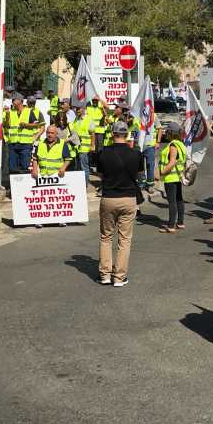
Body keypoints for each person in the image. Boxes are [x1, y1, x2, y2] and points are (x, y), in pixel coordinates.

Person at [96, 121, 142, 287]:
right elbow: (139, 174)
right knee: (124, 240)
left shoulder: (103, 153)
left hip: (109, 197)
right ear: (126, 134)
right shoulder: (136, 154)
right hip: (128, 198)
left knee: (106, 237)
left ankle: (105, 274)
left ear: (112, 133)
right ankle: (119, 277)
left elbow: (100, 175)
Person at [31, 125, 73, 228]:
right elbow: (35, 158)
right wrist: (35, 169)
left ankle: (61, 219)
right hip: (43, 176)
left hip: (57, 176)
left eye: (52, 133)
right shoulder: (40, 144)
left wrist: (63, 168)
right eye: (48, 133)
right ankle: (40, 220)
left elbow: (68, 159)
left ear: (56, 134)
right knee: (42, 200)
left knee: (58, 200)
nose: (49, 135)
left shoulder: (62, 144)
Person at [158, 122, 187, 233]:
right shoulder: (181, 144)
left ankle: (171, 226)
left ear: (171, 133)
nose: (166, 133)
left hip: (170, 177)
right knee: (179, 199)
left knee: (172, 202)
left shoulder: (173, 145)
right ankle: (180, 223)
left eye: (167, 131)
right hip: (177, 176)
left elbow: (172, 162)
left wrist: (162, 173)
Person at [70, 104, 96, 186]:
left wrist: (92, 145)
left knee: (84, 166)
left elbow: (92, 134)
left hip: (85, 148)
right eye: (76, 109)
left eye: (79, 108)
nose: (77, 110)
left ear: (83, 109)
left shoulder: (88, 119)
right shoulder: (76, 119)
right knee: (78, 167)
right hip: (77, 147)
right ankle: (80, 183)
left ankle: (85, 183)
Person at [86, 97, 107, 167]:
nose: (95, 102)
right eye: (93, 100)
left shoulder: (101, 108)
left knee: (100, 147)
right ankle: (93, 162)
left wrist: (101, 105)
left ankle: (99, 162)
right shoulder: (89, 108)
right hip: (92, 131)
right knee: (93, 147)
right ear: (92, 101)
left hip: (100, 131)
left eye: (96, 101)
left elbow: (106, 114)